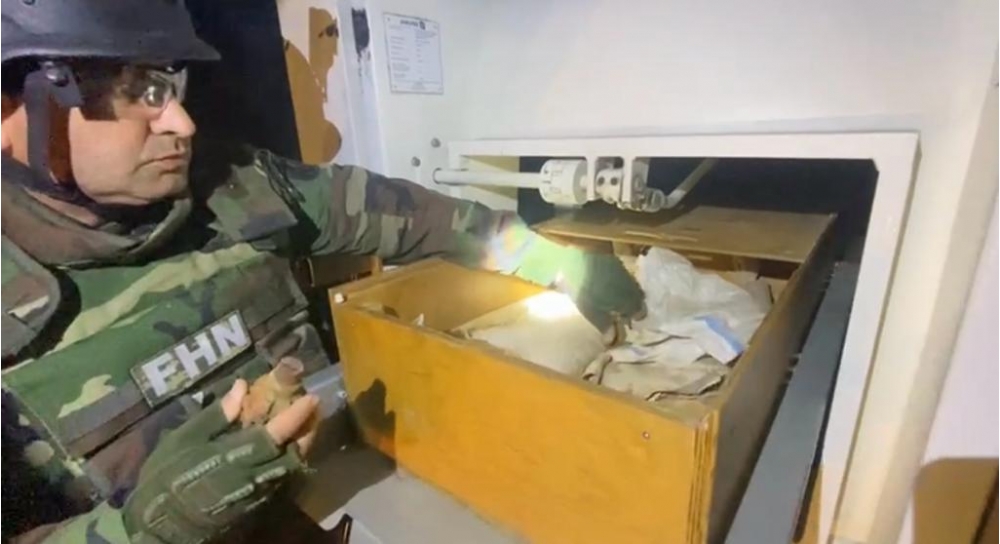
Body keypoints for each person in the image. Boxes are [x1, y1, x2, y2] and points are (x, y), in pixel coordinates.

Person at [0, 1, 644, 543]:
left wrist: (550, 260)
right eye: (132, 91)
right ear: (12, 112)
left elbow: (408, 216)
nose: (181, 122)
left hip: (346, 501)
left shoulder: (234, 187)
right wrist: (144, 531)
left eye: (168, 86)